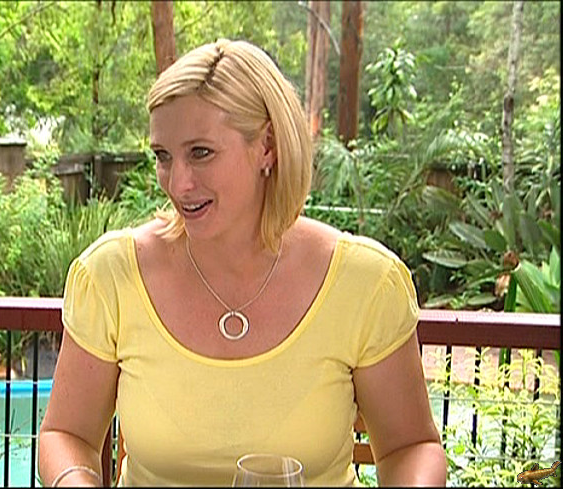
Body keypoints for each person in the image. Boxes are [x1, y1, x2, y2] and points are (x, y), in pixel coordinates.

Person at [39, 38, 445, 486]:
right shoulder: (111, 276)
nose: (178, 183)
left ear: (267, 146)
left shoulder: (365, 283)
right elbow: (67, 434)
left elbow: (410, 447)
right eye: (163, 156)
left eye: (200, 152)